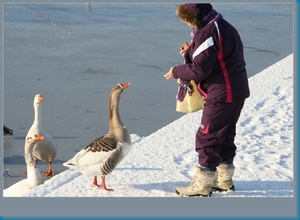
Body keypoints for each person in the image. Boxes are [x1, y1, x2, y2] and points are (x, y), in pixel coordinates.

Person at [164, 3, 250, 197]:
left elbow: (199, 70)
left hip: (222, 92)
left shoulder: (207, 33)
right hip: (236, 89)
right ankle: (224, 180)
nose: (186, 24)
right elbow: (216, 55)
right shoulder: (221, 24)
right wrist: (190, 52)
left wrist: (175, 71)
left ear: (193, 18)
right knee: (225, 134)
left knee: (207, 136)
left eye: (186, 20)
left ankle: (202, 184)